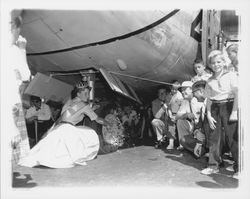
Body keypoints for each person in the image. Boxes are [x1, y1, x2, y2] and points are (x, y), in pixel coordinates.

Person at [19, 82, 111, 168]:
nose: (87, 96)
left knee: (44, 152)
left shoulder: (69, 102)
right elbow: (98, 119)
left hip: (59, 127)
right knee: (90, 133)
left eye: (88, 93)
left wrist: (50, 130)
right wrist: (109, 124)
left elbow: (69, 114)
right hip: (68, 129)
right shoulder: (84, 105)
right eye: (85, 93)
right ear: (78, 94)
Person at [200, 50, 238, 176]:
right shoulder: (209, 80)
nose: (216, 65)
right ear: (210, 65)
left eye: (219, 62)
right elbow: (209, 99)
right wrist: (209, 115)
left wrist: (234, 112)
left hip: (229, 105)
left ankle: (240, 167)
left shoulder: (231, 75)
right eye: (213, 63)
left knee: (232, 138)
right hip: (215, 108)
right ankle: (213, 165)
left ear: (223, 62)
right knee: (214, 138)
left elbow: (237, 94)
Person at [9, 14, 31, 163]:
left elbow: (24, 75)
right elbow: (25, 75)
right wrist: (11, 125)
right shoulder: (11, 51)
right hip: (9, 108)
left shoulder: (13, 50)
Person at [175, 81, 203, 152]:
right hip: (195, 129)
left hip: (204, 130)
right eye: (182, 90)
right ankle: (190, 148)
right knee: (180, 121)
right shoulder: (185, 101)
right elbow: (177, 116)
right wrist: (186, 115)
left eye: (184, 89)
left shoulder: (200, 100)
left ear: (191, 90)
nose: (182, 92)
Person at [166, 81, 183, 150]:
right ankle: (171, 143)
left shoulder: (180, 96)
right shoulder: (168, 96)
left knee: (180, 126)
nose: (174, 90)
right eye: (173, 89)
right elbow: (168, 106)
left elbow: (181, 107)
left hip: (179, 114)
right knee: (171, 126)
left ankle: (181, 144)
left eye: (176, 89)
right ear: (170, 88)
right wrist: (170, 115)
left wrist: (177, 116)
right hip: (171, 114)